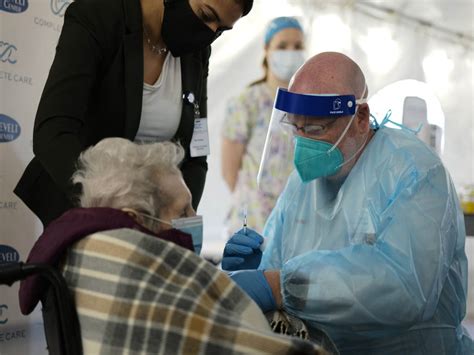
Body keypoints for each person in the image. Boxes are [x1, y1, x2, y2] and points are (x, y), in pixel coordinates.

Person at [222, 52, 474, 354]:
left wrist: (278, 286)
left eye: (316, 129)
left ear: (361, 118)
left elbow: (404, 288)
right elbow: (278, 267)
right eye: (296, 128)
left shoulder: (415, 171)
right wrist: (256, 267)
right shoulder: (302, 184)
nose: (304, 142)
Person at [18, 138, 327, 354]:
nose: (195, 219)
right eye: (182, 212)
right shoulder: (138, 263)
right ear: (134, 217)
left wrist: (222, 282)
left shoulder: (83, 246)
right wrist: (237, 290)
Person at [14, 0, 253, 228]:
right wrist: (111, 210)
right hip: (81, 207)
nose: (209, 32)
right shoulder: (99, 17)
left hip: (152, 221)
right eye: (206, 15)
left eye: (221, 29)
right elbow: (54, 132)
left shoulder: (197, 52)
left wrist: (181, 219)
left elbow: (196, 153)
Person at [221, 17, 305, 234]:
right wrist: (254, 203)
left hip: (298, 222)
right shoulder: (246, 103)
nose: (290, 52)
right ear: (267, 49)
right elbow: (229, 171)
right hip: (254, 222)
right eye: (282, 46)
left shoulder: (309, 105)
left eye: (297, 46)